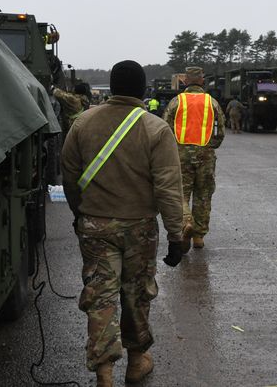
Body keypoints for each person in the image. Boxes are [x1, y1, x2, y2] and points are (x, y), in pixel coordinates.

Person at [61, 60, 185, 387]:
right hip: (139, 227)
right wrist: (176, 235)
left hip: (95, 226)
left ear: (112, 88)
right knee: (136, 294)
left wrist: (80, 213)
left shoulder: (82, 123)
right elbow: (168, 188)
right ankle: (136, 362)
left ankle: (104, 374)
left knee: (100, 297)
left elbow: (70, 178)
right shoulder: (156, 129)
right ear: (142, 91)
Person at [163, 66, 225, 251]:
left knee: (180, 193)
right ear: (202, 81)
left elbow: (165, 128)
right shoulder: (212, 102)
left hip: (180, 155)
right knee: (203, 195)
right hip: (205, 155)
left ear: (185, 81)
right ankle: (198, 236)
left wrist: (174, 148)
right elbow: (220, 131)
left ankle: (186, 222)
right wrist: (210, 146)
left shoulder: (176, 102)